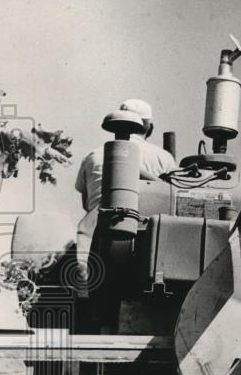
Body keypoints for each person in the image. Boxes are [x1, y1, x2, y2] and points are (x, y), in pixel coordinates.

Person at [74, 99, 176, 285]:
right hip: (146, 243)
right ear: (149, 127)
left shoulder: (93, 155)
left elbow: (86, 202)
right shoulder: (164, 158)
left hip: (96, 237)